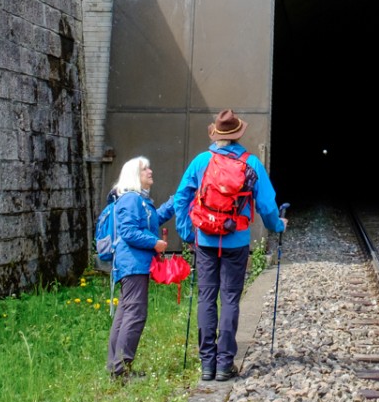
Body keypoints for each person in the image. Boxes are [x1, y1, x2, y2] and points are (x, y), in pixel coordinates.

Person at [173, 109, 286, 383]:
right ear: (238, 134)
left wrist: (188, 233)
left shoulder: (201, 161)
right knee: (231, 298)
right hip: (236, 242)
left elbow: (180, 199)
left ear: (216, 134)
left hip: (206, 240)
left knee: (206, 298)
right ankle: (225, 364)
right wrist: (278, 225)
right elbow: (268, 207)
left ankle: (207, 365)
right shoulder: (252, 164)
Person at [106, 155, 173, 380]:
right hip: (133, 264)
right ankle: (122, 369)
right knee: (135, 314)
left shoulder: (138, 200)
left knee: (125, 313)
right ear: (135, 175)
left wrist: (174, 202)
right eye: (145, 169)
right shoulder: (131, 199)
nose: (150, 171)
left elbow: (153, 220)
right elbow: (129, 232)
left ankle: (115, 366)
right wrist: (155, 243)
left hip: (132, 264)